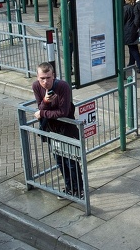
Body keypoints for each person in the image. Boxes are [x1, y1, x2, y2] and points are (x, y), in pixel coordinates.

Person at [32, 62, 84, 199]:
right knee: (60, 160)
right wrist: (45, 100)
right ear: (37, 77)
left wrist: (42, 113)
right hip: (51, 129)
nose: (45, 82)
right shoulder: (36, 86)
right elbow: (40, 106)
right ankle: (69, 188)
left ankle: (79, 190)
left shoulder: (63, 86)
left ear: (53, 76)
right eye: (42, 78)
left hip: (66, 129)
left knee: (71, 161)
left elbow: (63, 112)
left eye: (48, 78)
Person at [124, 0, 140, 74]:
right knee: (132, 47)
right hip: (136, 30)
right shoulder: (137, 7)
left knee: (133, 49)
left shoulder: (126, 8)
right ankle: (131, 63)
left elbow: (123, 20)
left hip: (128, 31)